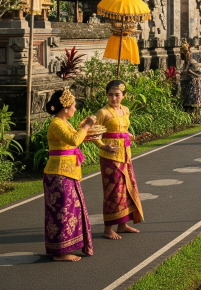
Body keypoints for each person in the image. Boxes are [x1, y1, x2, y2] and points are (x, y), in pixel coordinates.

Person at [42, 89, 99, 261]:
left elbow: (75, 138)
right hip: (58, 174)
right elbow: (74, 140)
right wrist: (86, 126)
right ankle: (60, 252)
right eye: (74, 105)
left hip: (67, 173)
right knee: (62, 213)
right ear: (66, 107)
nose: (75, 108)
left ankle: (67, 248)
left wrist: (88, 130)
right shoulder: (56, 124)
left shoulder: (65, 123)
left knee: (71, 212)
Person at [93, 80, 144, 240]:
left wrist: (134, 138)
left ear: (124, 95)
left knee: (126, 190)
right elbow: (93, 134)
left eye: (117, 95)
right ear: (106, 95)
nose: (113, 98)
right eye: (110, 95)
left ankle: (122, 225)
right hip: (110, 158)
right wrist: (103, 146)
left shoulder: (126, 110)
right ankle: (108, 229)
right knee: (113, 192)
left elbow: (124, 132)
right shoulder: (103, 113)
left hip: (125, 156)